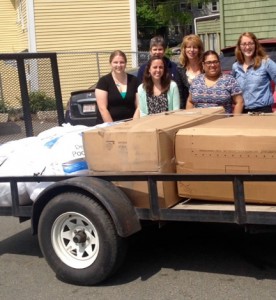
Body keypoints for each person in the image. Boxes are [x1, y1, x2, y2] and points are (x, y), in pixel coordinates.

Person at [186, 50, 244, 114]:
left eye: (215, 62)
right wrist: (190, 118)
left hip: (222, 122)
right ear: (203, 64)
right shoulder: (196, 80)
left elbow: (239, 102)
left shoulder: (229, 80)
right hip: (199, 121)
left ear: (219, 63)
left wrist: (234, 121)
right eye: (209, 62)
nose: (213, 65)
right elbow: (190, 101)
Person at [232, 32, 276, 113]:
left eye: (250, 43)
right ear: (239, 47)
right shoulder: (235, 66)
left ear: (255, 45)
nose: (247, 47)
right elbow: (233, 89)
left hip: (263, 111)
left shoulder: (266, 63)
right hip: (243, 111)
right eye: (244, 44)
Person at [95, 50, 140, 124]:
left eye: (122, 62)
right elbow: (102, 109)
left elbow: (139, 107)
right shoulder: (103, 82)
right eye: (115, 62)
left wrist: (133, 125)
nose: (119, 65)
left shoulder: (134, 81)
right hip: (109, 126)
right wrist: (112, 128)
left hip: (130, 125)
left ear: (125, 63)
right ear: (110, 64)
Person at [175, 34, 204, 109]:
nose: (191, 50)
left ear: (199, 49)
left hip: (205, 107)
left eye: (194, 47)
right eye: (188, 47)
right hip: (187, 109)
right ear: (184, 49)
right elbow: (180, 94)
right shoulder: (179, 69)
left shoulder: (205, 67)